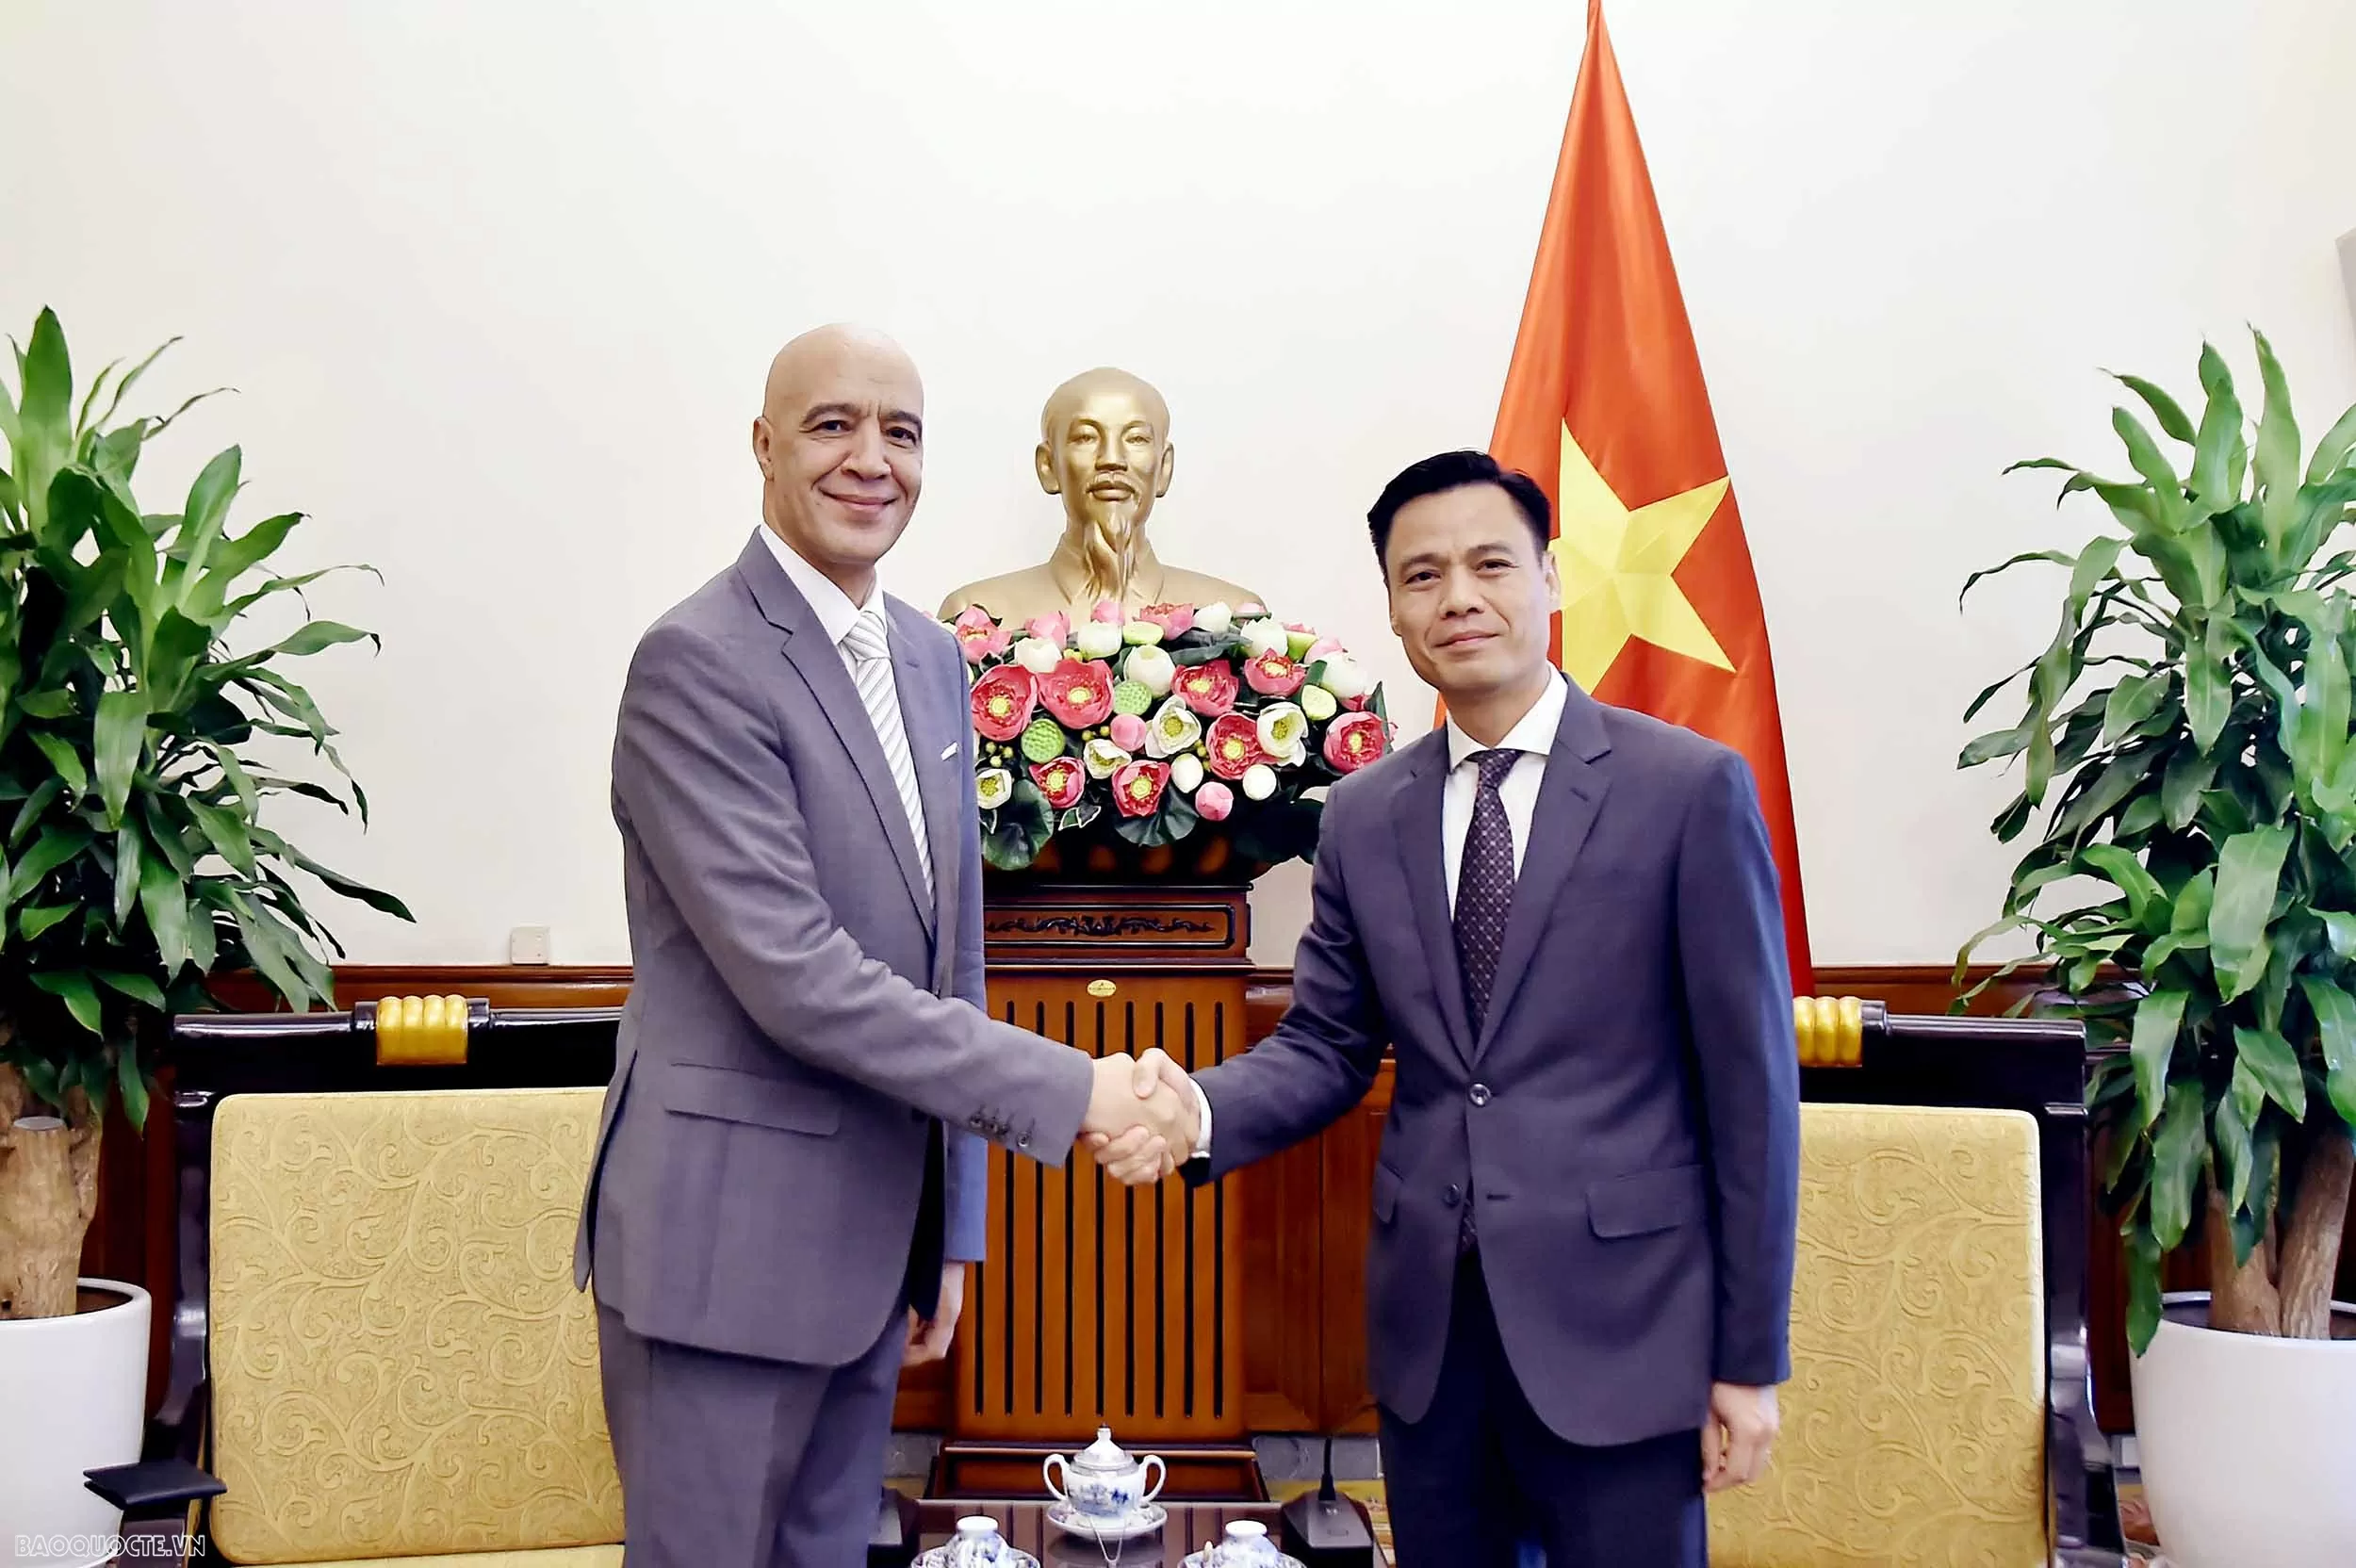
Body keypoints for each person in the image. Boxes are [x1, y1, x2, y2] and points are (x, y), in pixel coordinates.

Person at [1094, 449, 1802, 1568]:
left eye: (1489, 564)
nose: (1457, 597)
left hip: (1624, 1331)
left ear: (1551, 576)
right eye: (1422, 575)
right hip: (1431, 1339)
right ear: (1391, 605)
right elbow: (1327, 1043)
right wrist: (1194, 1110)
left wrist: (1747, 1359)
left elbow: (1753, 1099)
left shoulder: (1685, 789)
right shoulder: (1367, 812)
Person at [574, 324, 1193, 1567]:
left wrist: (950, 1226)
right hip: (724, 1259)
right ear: (763, 444)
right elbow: (798, 975)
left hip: (875, 1255)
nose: (872, 460)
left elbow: (947, 956)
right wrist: (1078, 1089)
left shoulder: (927, 655)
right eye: (832, 426)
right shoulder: (696, 661)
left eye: (900, 433)